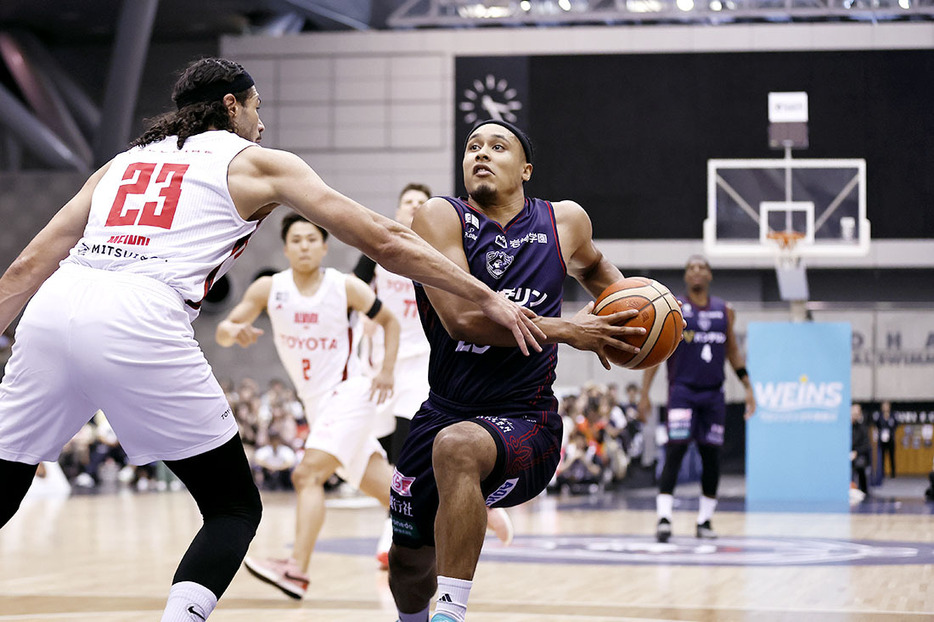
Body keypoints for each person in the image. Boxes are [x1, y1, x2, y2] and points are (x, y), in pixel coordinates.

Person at [0, 57, 541, 622]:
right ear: (232, 105)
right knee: (232, 508)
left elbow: (25, 268)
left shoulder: (119, 165)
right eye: (257, 107)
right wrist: (484, 294)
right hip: (140, 313)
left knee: (5, 482)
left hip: (51, 310)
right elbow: (382, 237)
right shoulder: (255, 162)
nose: (262, 123)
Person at [387, 119, 644, 622]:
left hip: (527, 420)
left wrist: (640, 314)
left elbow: (595, 270)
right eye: (472, 147)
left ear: (525, 169)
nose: (481, 153)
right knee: (406, 565)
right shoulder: (439, 217)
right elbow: (462, 320)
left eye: (497, 146)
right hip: (444, 409)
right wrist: (570, 330)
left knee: (459, 446)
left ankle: (450, 613)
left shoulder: (564, 222)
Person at [216, 212, 402, 598]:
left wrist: (385, 370)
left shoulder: (344, 286)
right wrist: (235, 330)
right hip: (319, 404)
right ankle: (464, 524)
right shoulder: (269, 289)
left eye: (311, 239)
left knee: (307, 476)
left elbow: (390, 322)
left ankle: (296, 571)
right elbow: (222, 331)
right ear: (285, 248)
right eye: (296, 240)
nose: (304, 246)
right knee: (388, 491)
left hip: (352, 390)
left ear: (324, 245)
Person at [353, 183, 515, 569]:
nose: (412, 207)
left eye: (419, 204)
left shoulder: (441, 253)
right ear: (396, 210)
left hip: (421, 360)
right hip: (378, 364)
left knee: (408, 449)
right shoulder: (377, 253)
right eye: (406, 201)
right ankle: (479, 503)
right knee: (369, 452)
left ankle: (394, 532)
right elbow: (356, 302)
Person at [639, 255, 756, 543]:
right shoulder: (674, 309)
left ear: (710, 275)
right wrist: (644, 394)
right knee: (676, 451)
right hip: (682, 392)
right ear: (686, 276)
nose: (697, 271)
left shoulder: (724, 311)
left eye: (702, 267)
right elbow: (657, 353)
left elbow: (732, 352)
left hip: (714, 395)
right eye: (691, 268)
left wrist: (748, 386)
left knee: (711, 456)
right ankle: (664, 518)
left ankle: (705, 521)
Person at [851, 402, 872, 498]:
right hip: (845, 454)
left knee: (860, 464)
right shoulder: (843, 427)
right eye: (853, 413)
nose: (854, 415)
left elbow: (866, 445)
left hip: (858, 455)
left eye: (856, 413)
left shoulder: (862, 428)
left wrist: (856, 452)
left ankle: (864, 491)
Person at [873, 400, 897, 479]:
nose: (885, 408)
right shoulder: (879, 416)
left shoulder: (893, 415)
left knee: (891, 457)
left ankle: (893, 473)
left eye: (887, 406)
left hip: (891, 439)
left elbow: (896, 425)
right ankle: (882, 473)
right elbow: (876, 425)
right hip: (882, 439)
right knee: (882, 457)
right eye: (884, 406)